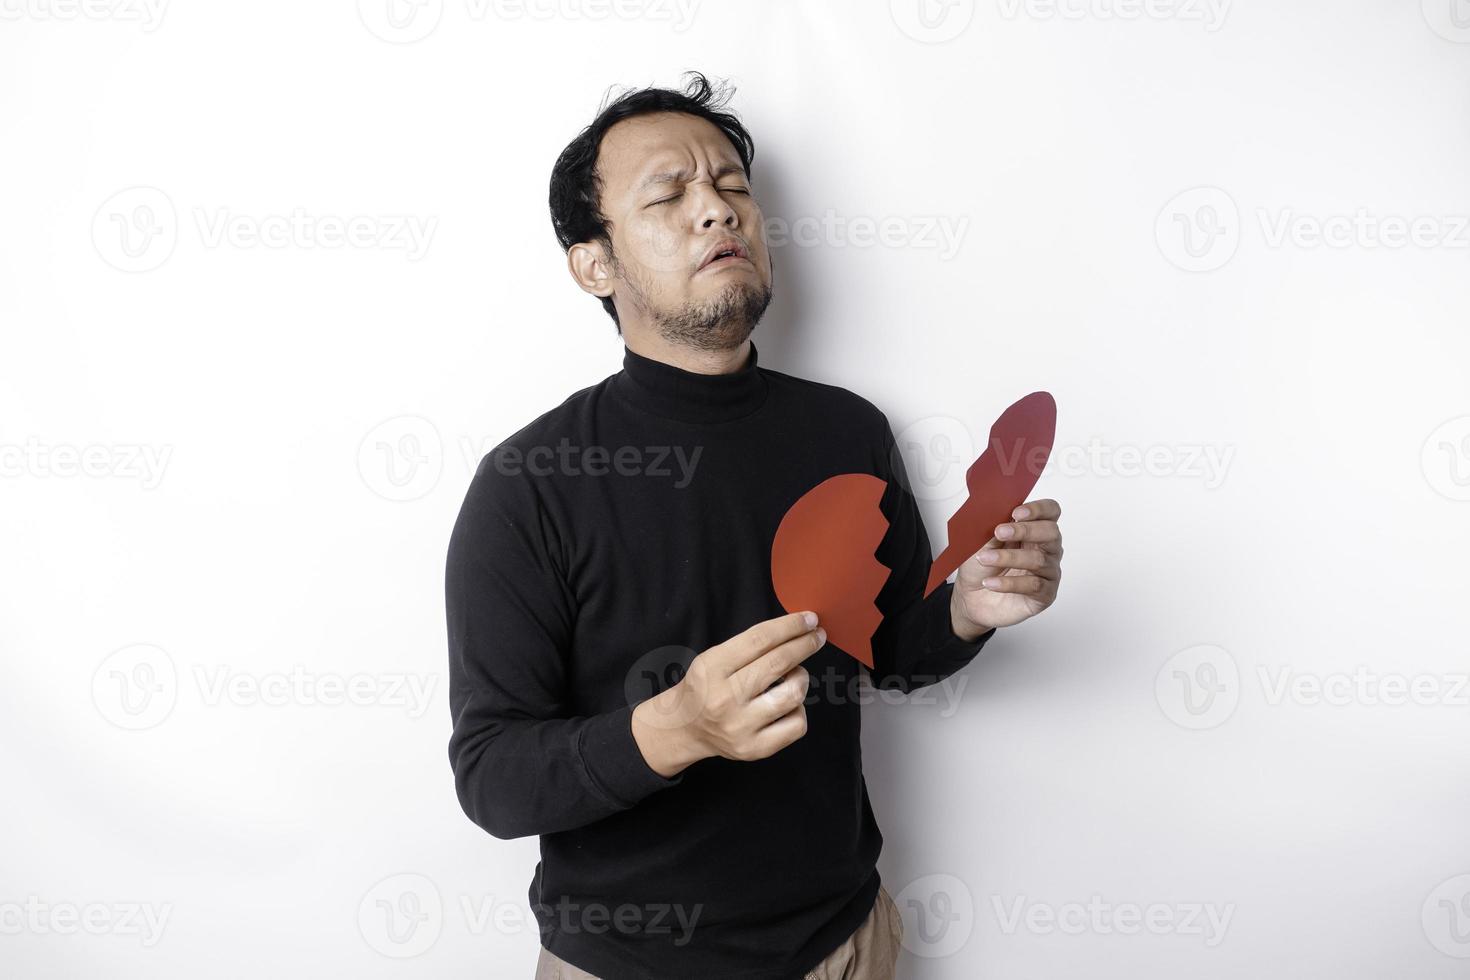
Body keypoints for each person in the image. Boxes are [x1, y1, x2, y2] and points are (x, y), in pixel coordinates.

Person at [445, 71, 1064, 980]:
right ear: (594, 263)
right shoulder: (527, 483)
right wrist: (680, 729)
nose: (717, 211)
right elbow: (492, 776)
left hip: (848, 944)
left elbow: (887, 653)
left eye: (734, 187)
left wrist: (968, 606)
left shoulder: (847, 429)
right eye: (669, 194)